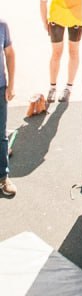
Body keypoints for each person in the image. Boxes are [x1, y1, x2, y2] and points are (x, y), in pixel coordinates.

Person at [37, 0, 82, 103]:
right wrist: (45, 21)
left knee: (73, 51)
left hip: (76, 19)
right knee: (56, 53)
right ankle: (52, 87)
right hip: (57, 19)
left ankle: (68, 88)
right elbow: (43, 4)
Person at [0, 17, 15, 197]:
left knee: (1, 135)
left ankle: (3, 177)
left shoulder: (2, 25)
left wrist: (11, 85)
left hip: (0, 88)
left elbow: (10, 54)